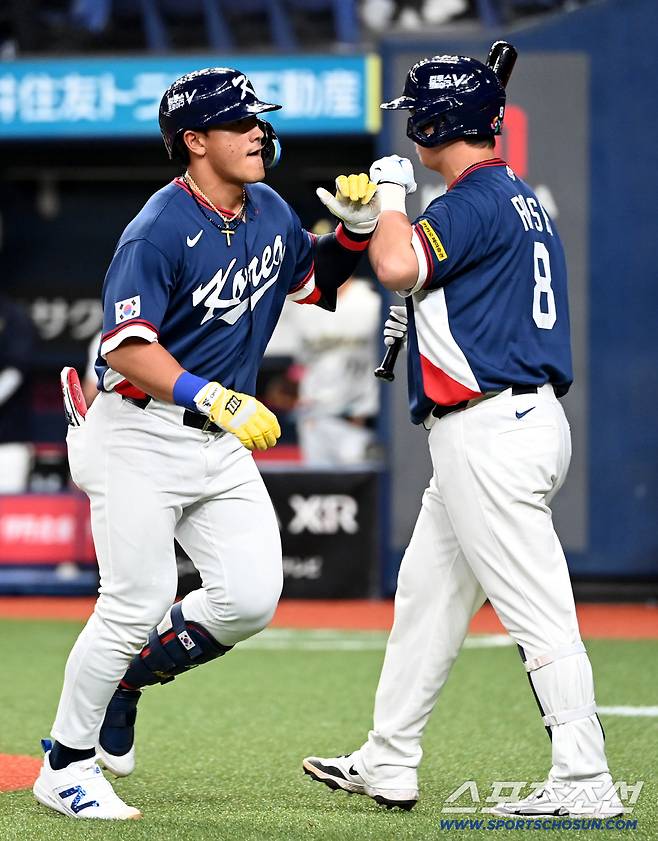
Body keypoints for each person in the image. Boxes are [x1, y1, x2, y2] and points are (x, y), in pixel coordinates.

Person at [33, 67, 380, 820]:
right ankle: (63, 765)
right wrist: (210, 392)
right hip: (138, 432)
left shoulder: (266, 208)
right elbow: (126, 347)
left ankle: (128, 682)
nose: (258, 130)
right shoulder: (157, 227)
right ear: (194, 141)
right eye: (239, 122)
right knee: (135, 601)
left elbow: (314, 286)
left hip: (214, 438)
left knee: (251, 597)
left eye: (259, 119)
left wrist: (352, 233)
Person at [303, 51, 623, 817]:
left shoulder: (473, 200)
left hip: (493, 429)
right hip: (499, 426)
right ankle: (389, 758)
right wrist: (380, 215)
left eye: (418, 114)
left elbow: (396, 267)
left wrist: (385, 200)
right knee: (426, 598)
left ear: (436, 122)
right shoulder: (506, 197)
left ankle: (585, 781)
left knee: (538, 611)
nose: (410, 127)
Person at [289, 272, 381, 466]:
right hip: (313, 417)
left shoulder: (371, 302)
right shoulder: (303, 304)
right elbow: (302, 362)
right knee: (319, 490)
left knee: (359, 488)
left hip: (356, 417)